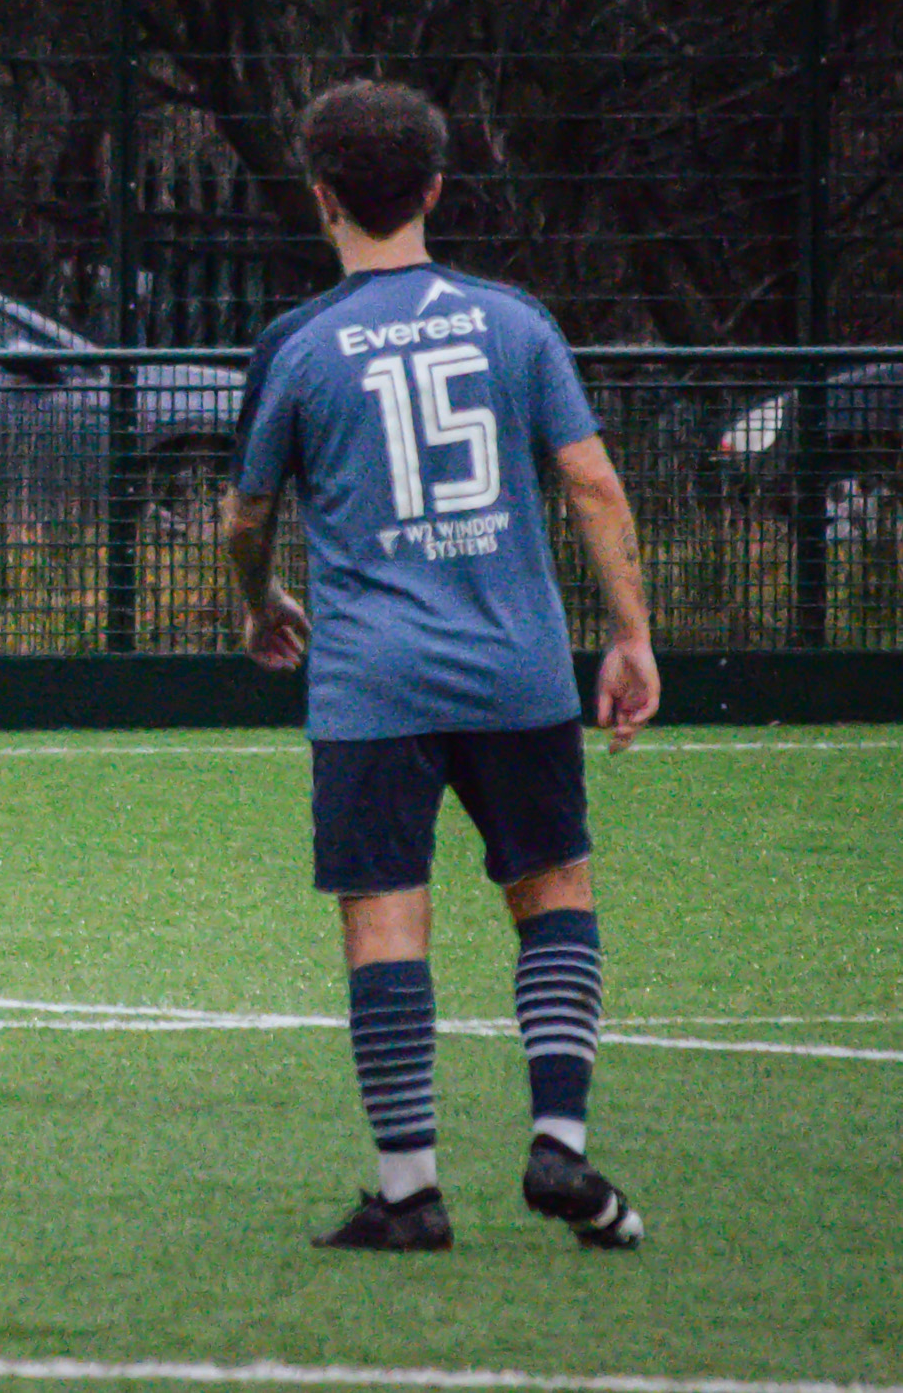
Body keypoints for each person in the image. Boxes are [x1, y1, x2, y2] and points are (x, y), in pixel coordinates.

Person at [220, 80, 661, 1252]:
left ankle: (408, 1189)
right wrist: (628, 633)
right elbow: (593, 485)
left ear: (320, 198)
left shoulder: (298, 345)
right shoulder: (513, 320)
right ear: (433, 190)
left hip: (373, 682)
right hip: (516, 668)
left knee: (384, 917)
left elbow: (243, 514)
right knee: (551, 889)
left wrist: (259, 599)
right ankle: (558, 1143)